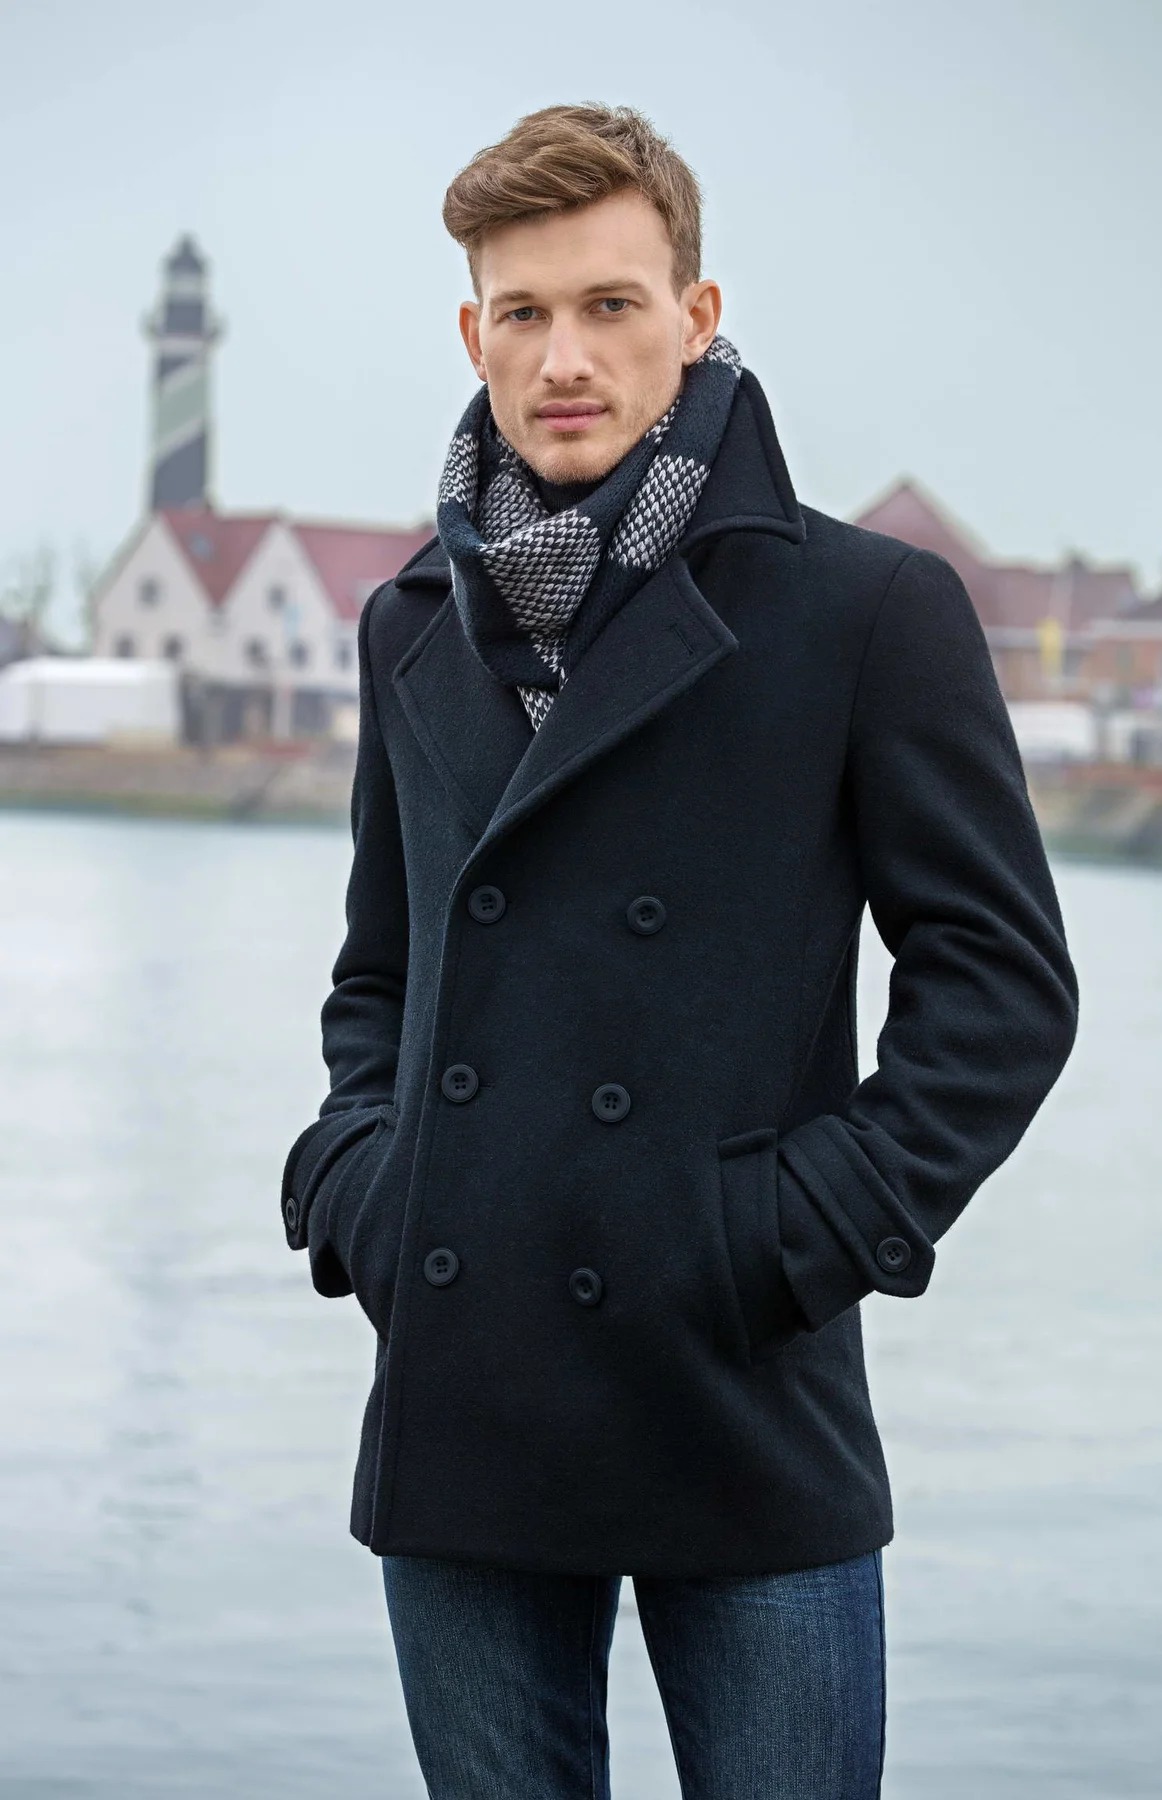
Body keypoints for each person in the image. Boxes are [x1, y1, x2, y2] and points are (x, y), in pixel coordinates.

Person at [279, 102, 1078, 1799]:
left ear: (697, 318)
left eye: (611, 305)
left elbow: (1001, 988)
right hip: (470, 1387)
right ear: (474, 334)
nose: (564, 357)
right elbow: (380, 972)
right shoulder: (412, 621)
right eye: (523, 311)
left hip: (739, 1381)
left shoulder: (865, 611)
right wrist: (362, 1182)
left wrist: (793, 1235)